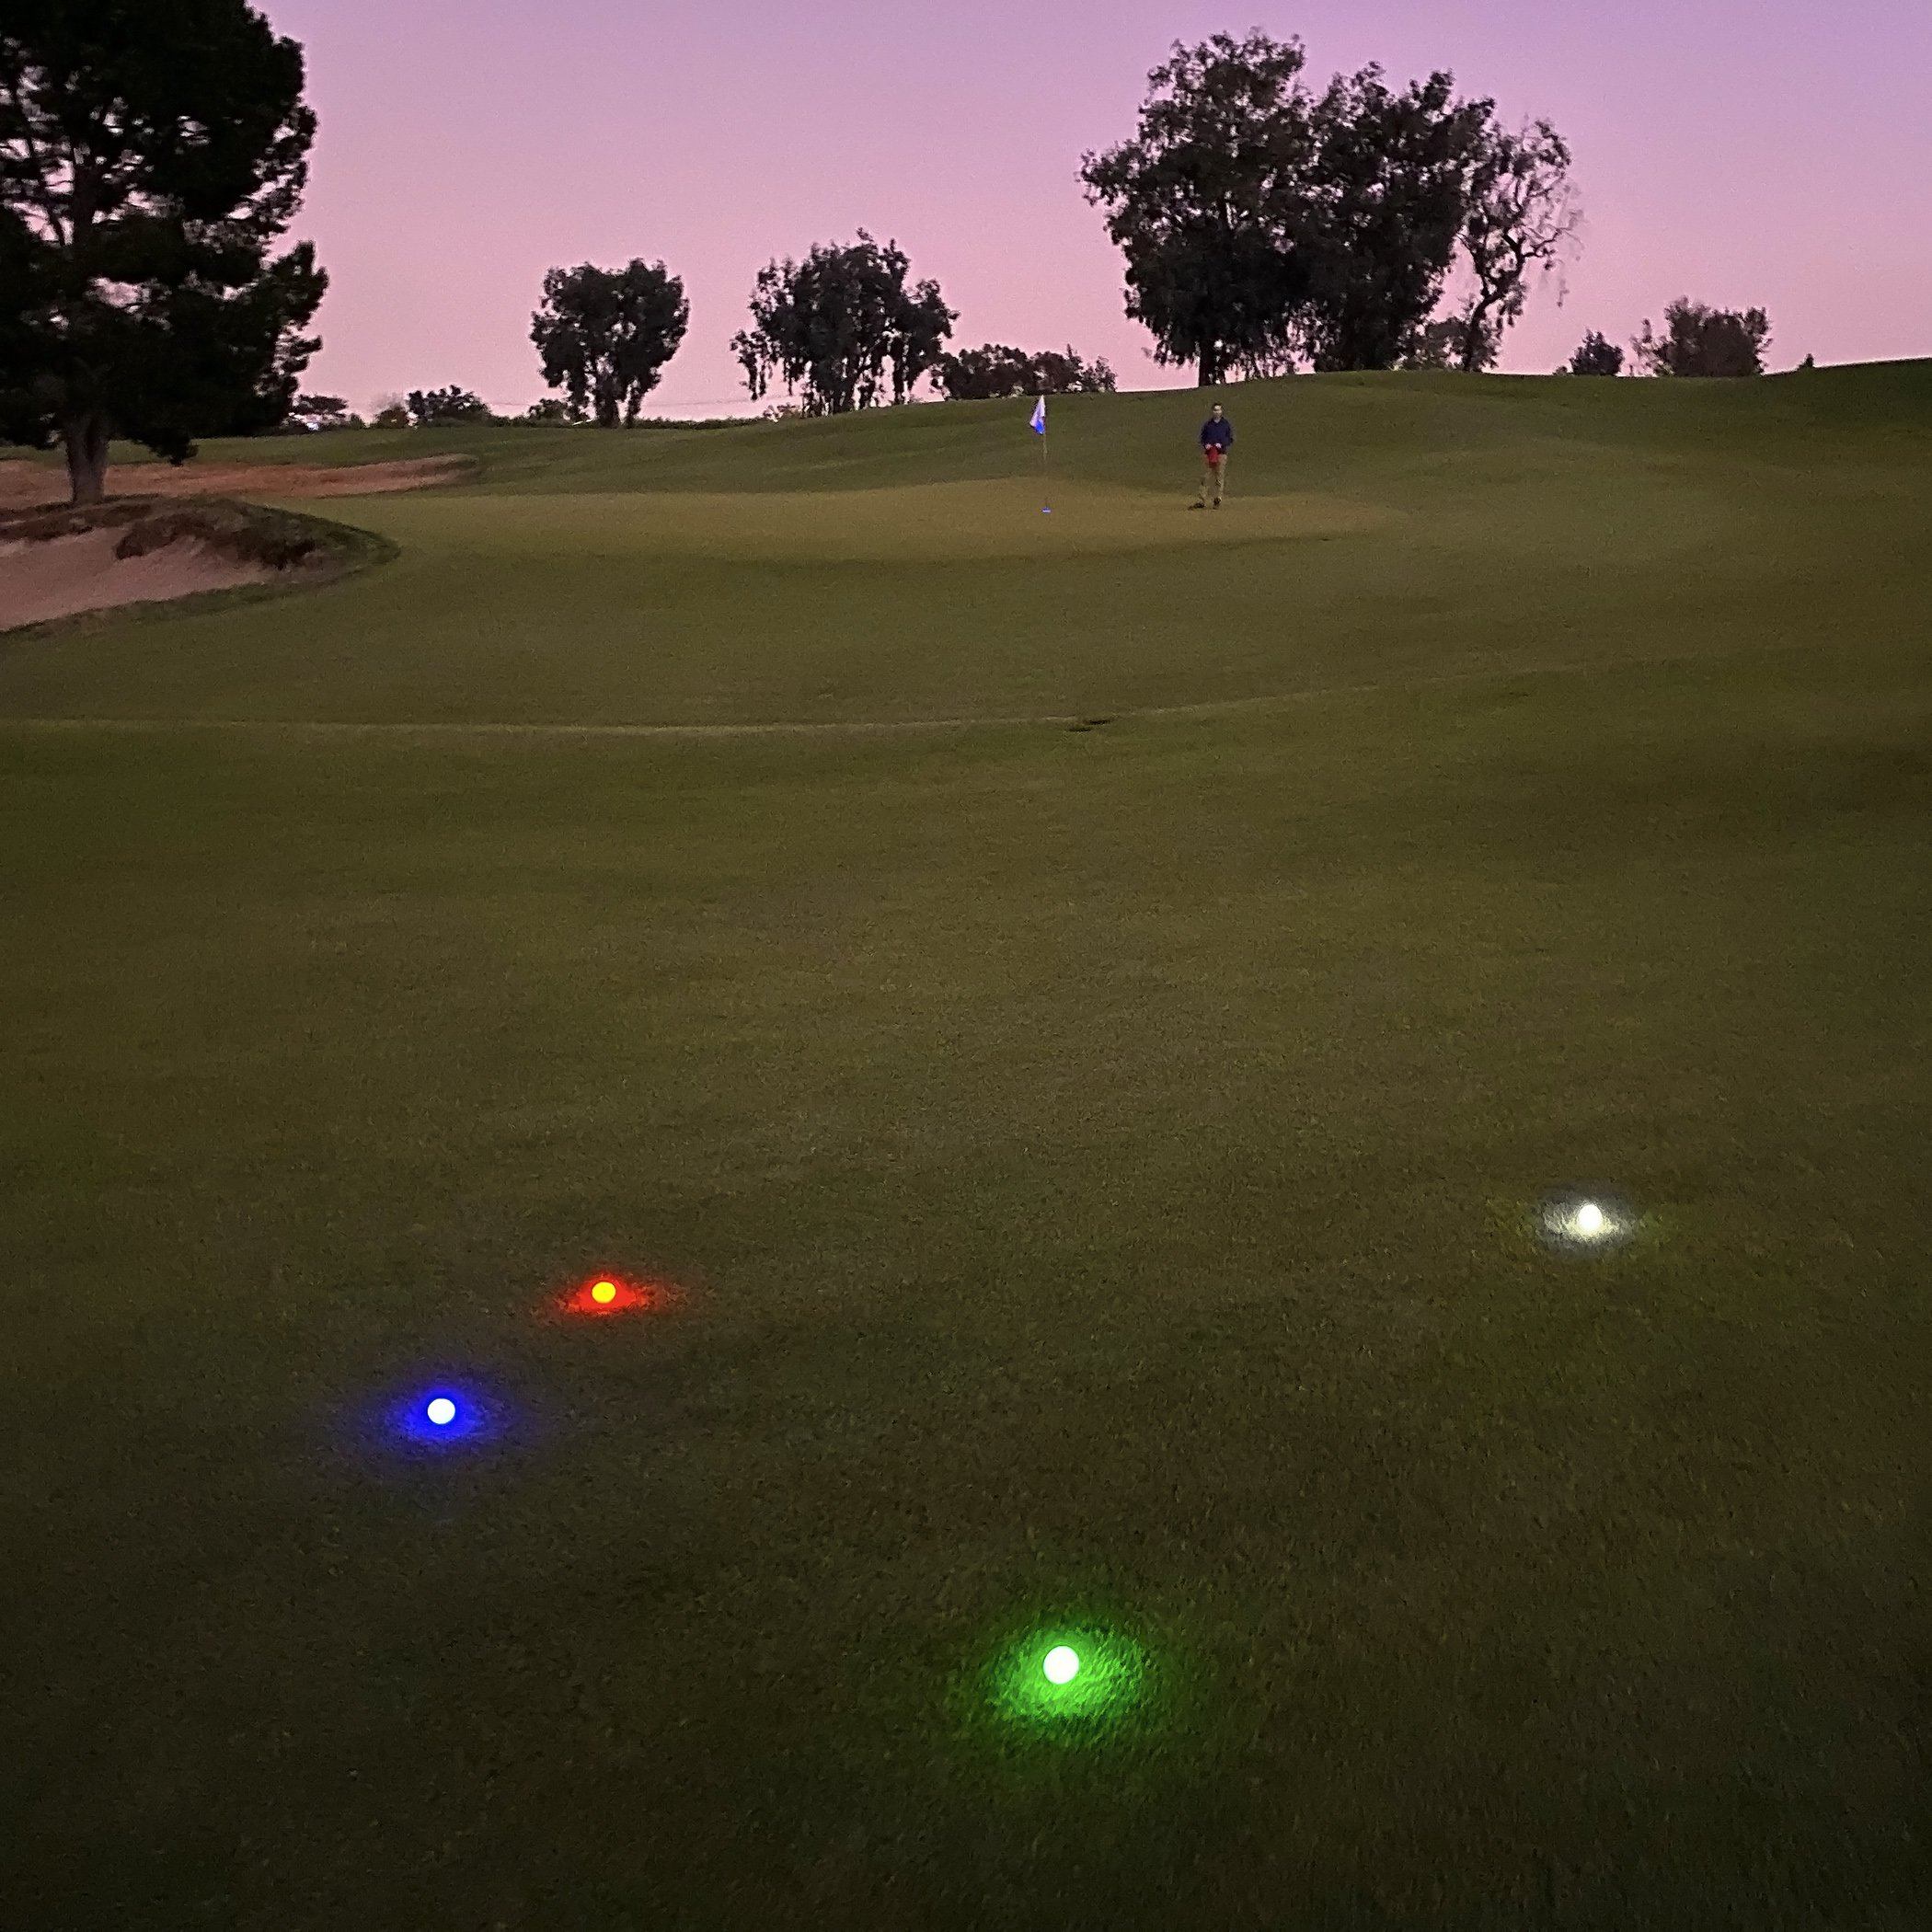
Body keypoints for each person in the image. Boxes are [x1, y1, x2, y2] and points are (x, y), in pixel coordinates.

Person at [1194, 404, 1234, 508]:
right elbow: (1202, 438)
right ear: (1212, 411)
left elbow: (1230, 439)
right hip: (1208, 454)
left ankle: (1217, 499)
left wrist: (1222, 444)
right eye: (1215, 410)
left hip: (1221, 454)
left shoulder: (1225, 425)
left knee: (1219, 477)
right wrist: (1206, 444)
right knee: (1205, 477)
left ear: (1222, 411)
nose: (1217, 412)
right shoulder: (1208, 425)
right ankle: (1201, 500)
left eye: (1219, 410)